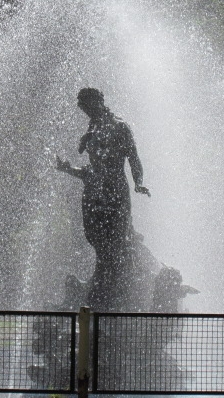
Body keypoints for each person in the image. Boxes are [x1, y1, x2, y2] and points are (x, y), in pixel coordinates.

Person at [56, 88, 150, 311]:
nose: (84, 110)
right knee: (101, 248)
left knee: (114, 248)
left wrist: (138, 182)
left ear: (98, 102)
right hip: (94, 195)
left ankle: (110, 297)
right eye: (82, 107)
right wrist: (68, 169)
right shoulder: (93, 127)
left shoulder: (119, 126)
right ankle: (102, 295)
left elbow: (133, 158)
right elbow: (92, 171)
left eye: (87, 105)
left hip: (115, 194)